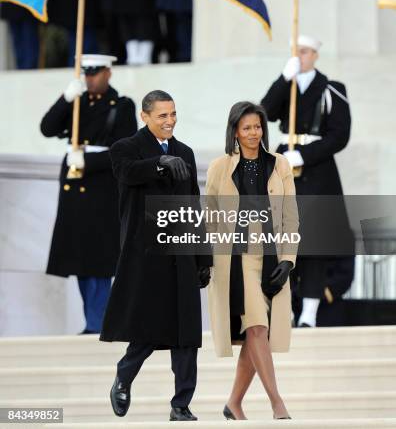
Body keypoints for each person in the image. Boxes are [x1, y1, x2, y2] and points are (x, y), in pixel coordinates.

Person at [101, 90, 212, 422]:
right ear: (145, 116)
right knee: (148, 331)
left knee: (186, 335)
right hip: (145, 256)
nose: (170, 121)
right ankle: (124, 375)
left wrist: (203, 258)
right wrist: (159, 164)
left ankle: (181, 404)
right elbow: (127, 173)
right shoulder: (126, 149)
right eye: (162, 115)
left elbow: (194, 205)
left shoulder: (186, 153)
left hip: (181, 254)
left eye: (173, 114)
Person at [206, 102, 299, 421]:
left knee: (255, 332)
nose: (253, 133)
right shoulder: (219, 167)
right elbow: (210, 219)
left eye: (257, 127)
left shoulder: (280, 164)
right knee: (258, 326)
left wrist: (288, 260)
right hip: (236, 259)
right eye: (246, 128)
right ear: (234, 131)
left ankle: (233, 403)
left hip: (271, 254)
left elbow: (290, 217)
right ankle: (278, 403)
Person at [41, 54, 137, 334]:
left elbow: (125, 151)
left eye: (95, 73)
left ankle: (100, 322)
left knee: (100, 260)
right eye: (86, 74)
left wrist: (89, 161)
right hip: (74, 188)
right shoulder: (77, 103)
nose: (89, 78)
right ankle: (94, 321)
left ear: (108, 73)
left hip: (100, 187)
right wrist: (65, 98)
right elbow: (47, 128)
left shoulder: (121, 106)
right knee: (79, 259)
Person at [261, 35, 352, 328]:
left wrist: (303, 155)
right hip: (283, 166)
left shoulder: (331, 89)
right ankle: (284, 308)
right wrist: (282, 78)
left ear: (315, 55)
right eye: (296, 52)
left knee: (314, 244)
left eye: (304, 52)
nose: (300, 56)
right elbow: (264, 113)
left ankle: (309, 314)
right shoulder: (286, 85)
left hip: (317, 171)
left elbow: (340, 135)